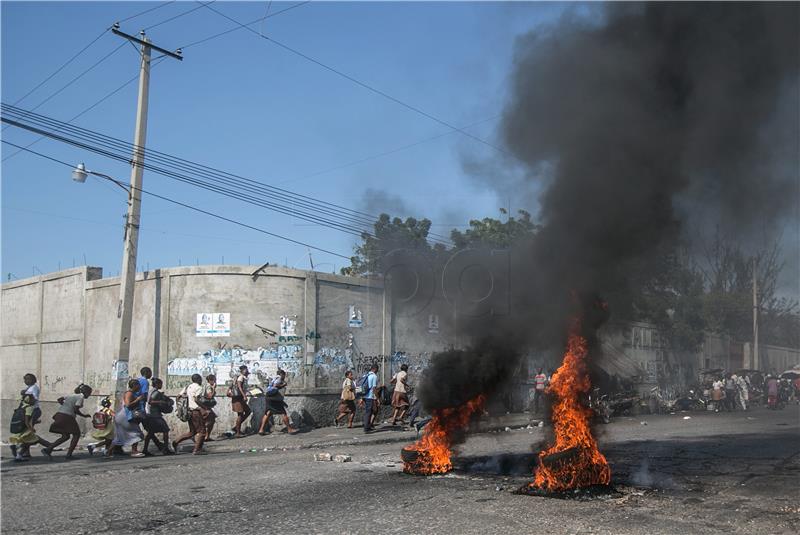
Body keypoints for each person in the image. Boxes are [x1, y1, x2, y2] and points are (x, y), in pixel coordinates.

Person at [42, 383, 92, 459]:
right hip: (67, 416)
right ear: (86, 392)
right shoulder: (81, 397)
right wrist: (84, 415)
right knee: (76, 434)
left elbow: (59, 399)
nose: (89, 395)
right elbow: (76, 409)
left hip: (59, 414)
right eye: (89, 393)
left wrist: (65, 405)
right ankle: (69, 455)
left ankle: (48, 449)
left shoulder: (72, 395)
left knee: (65, 436)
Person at [9, 394, 53, 462]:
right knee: (34, 440)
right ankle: (51, 447)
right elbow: (27, 421)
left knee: (29, 442)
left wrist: (35, 422)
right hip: (26, 430)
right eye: (33, 399)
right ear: (29, 401)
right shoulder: (29, 408)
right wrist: (31, 428)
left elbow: (24, 419)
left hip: (20, 429)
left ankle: (18, 453)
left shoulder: (21, 407)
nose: (34, 400)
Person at [110, 379, 146, 458]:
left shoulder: (133, 393)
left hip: (123, 416)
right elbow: (128, 405)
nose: (139, 387)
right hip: (125, 416)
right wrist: (138, 400)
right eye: (138, 385)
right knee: (136, 433)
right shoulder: (129, 393)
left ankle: (109, 452)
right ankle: (134, 451)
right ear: (134, 386)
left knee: (120, 436)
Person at [172, 374, 207, 454]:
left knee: (192, 432)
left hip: (188, 412)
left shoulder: (188, 387)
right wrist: (203, 408)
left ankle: (176, 442)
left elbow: (178, 397)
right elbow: (196, 398)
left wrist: (180, 407)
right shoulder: (199, 387)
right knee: (202, 431)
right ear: (199, 380)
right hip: (196, 411)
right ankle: (197, 450)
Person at [257, 370, 297, 435]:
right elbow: (276, 386)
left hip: (268, 398)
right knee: (283, 413)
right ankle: (289, 429)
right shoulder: (279, 379)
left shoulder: (273, 379)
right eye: (284, 375)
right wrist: (283, 385)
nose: (284, 377)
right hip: (274, 399)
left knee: (268, 413)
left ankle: (261, 430)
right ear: (282, 374)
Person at [142, 377, 173, 455]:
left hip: (149, 415)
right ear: (157, 384)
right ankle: (165, 449)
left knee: (150, 433)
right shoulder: (156, 392)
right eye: (161, 384)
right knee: (166, 430)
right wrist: (161, 401)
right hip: (154, 416)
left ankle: (145, 449)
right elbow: (150, 401)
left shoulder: (151, 391)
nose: (161, 385)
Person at [230, 365, 252, 437]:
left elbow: (243, 387)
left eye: (246, 369)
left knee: (247, 411)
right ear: (242, 370)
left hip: (240, 397)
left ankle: (236, 428)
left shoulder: (244, 378)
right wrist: (244, 396)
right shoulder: (240, 377)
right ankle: (238, 433)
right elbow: (239, 387)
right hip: (238, 398)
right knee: (240, 414)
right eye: (245, 370)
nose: (246, 371)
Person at [362, 364, 379, 433]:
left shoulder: (366, 375)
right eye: (377, 369)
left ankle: (368, 426)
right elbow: (374, 388)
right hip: (370, 397)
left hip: (365, 396)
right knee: (368, 412)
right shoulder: (374, 376)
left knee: (370, 411)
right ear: (374, 369)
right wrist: (377, 398)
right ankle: (366, 428)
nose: (377, 371)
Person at [201, 374, 218, 442]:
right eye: (214, 380)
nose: (215, 382)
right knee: (210, 420)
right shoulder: (208, 386)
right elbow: (210, 396)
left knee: (210, 420)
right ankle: (204, 435)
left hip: (205, 405)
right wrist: (213, 388)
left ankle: (206, 436)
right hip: (205, 406)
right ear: (211, 380)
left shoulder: (205, 385)